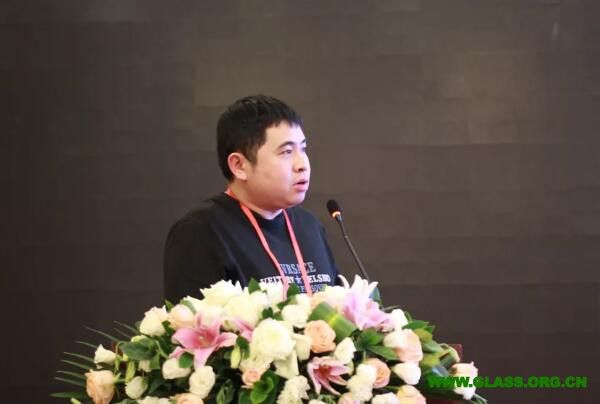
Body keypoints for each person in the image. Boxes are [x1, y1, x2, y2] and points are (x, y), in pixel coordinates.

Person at [164, 95, 340, 303]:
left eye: (303, 149)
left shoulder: (309, 227)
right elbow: (194, 322)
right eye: (286, 151)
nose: (302, 164)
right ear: (239, 166)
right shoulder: (201, 232)